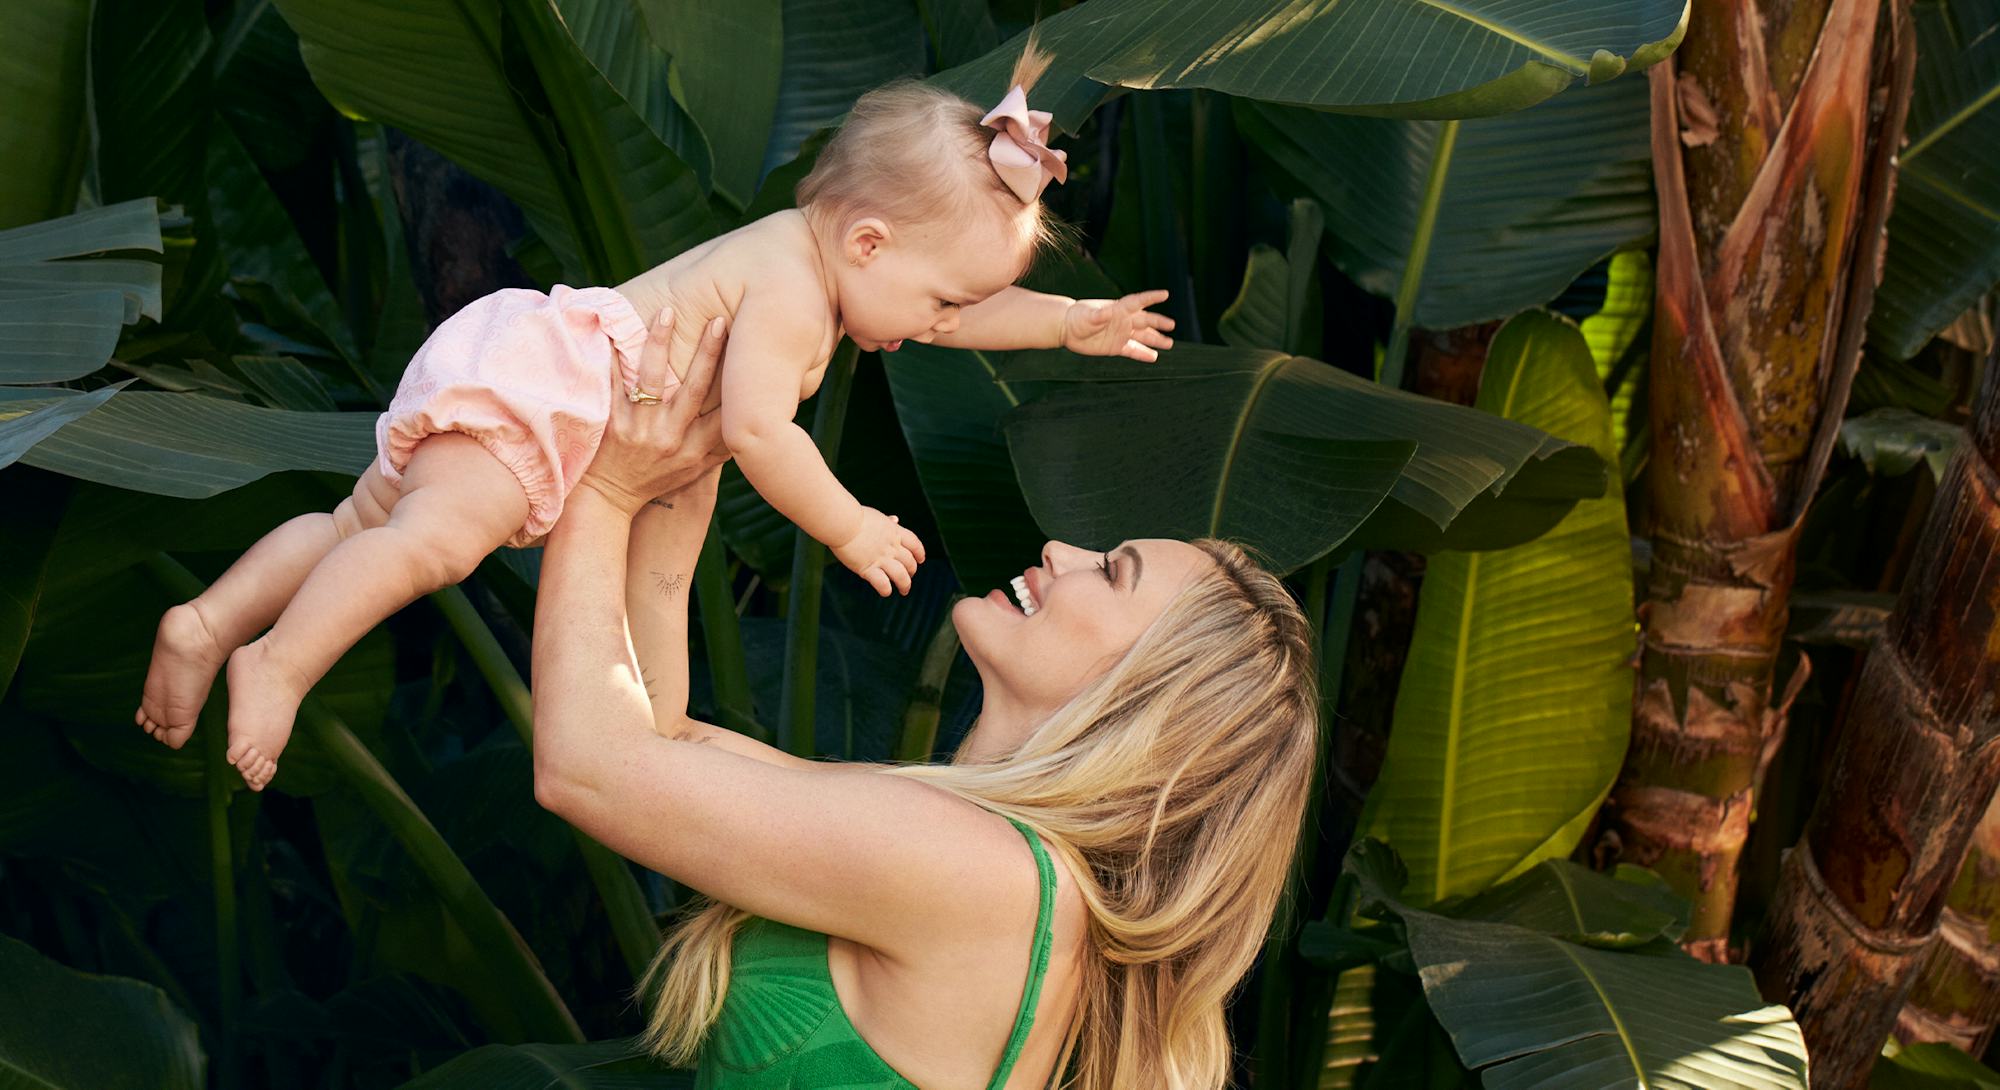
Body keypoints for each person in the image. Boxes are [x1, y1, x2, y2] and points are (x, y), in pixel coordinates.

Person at [133, 41, 1175, 790]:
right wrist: (847, 523)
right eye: (942, 296)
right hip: (559, 387)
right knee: (432, 541)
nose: (944, 322)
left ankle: (212, 620)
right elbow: (764, 432)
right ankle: (277, 662)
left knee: (397, 532)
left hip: (649, 435)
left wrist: (1069, 321)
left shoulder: (842, 276)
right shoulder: (786, 285)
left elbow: (950, 320)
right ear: (866, 244)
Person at [533, 311, 1319, 1087]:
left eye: (1111, 572)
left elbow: (587, 767)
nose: (1061, 550)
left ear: (1145, 698)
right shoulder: (1000, 864)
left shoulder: (989, 874)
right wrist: (684, 482)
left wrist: (602, 488)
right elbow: (662, 741)